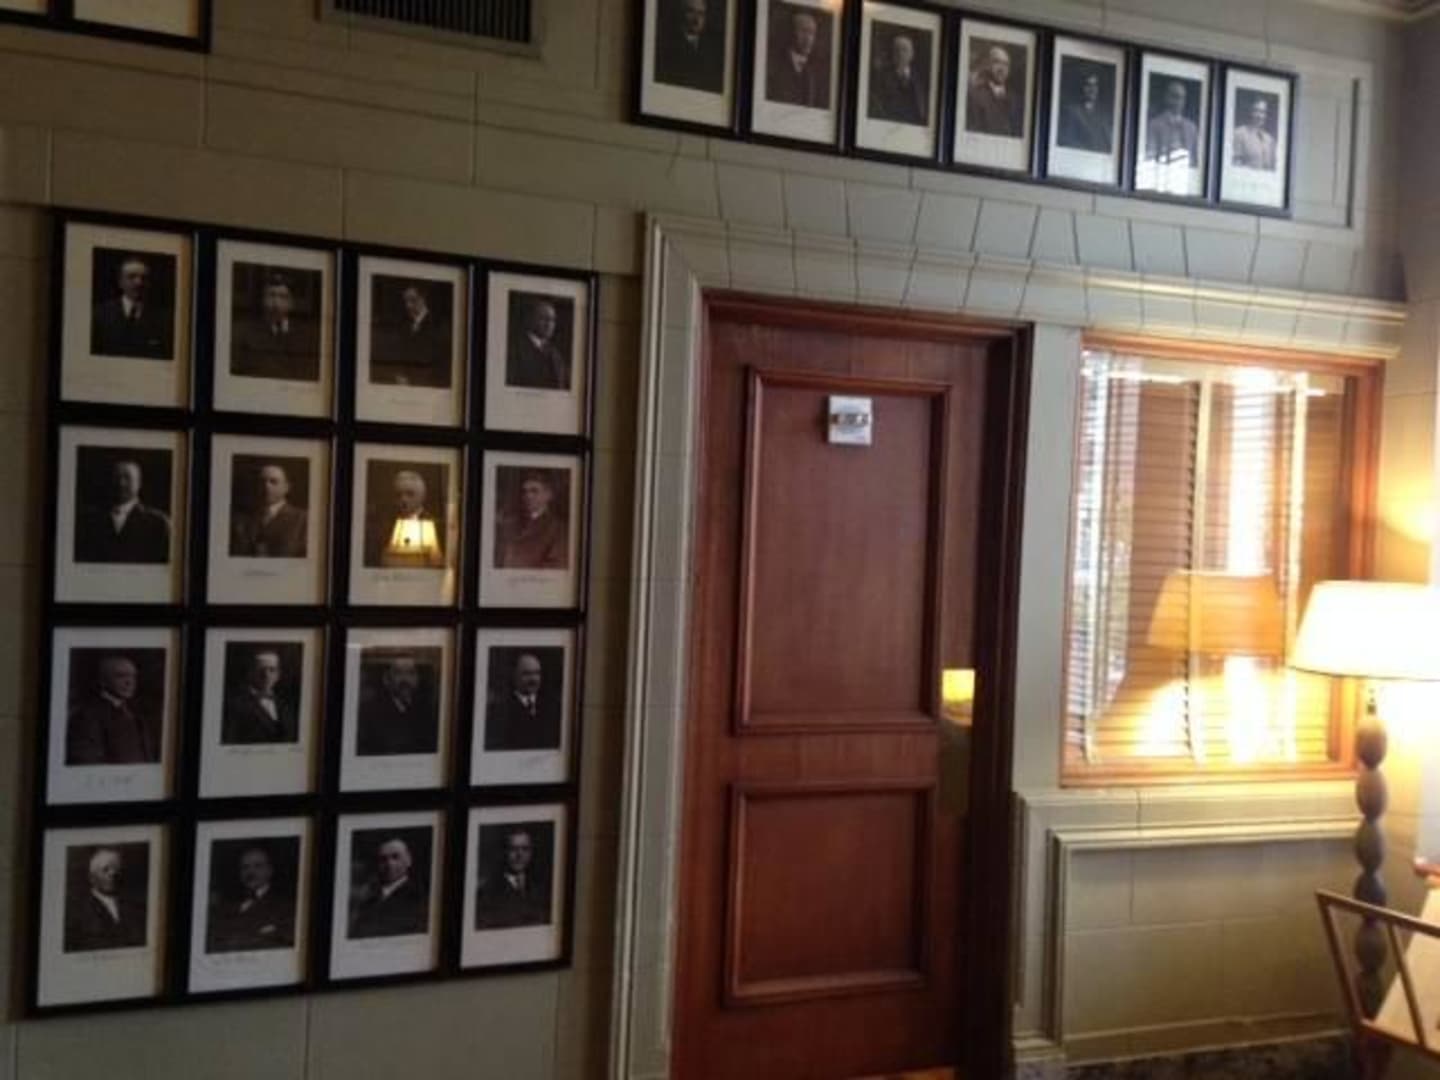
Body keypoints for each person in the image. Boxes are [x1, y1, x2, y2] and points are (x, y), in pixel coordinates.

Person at [67, 654, 162, 765]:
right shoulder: (87, 716)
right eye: (121, 676)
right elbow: (86, 761)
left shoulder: (137, 713)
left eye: (133, 676)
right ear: (103, 681)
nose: (129, 682)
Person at [74, 458, 171, 564]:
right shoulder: (89, 520)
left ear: (139, 483)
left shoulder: (159, 522)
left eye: (127, 478)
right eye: (116, 477)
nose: (121, 483)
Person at [230, 272, 320, 381]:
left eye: (283, 297)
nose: (276, 303)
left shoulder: (308, 336)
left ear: (291, 303)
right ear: (262, 300)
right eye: (271, 295)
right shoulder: (243, 332)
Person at [207, 845, 296, 953]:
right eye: (245, 867)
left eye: (258, 866)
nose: (250, 872)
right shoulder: (226, 906)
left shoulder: (285, 906)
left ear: (270, 871)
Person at [90, 253, 172, 359]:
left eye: (144, 278)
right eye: (131, 277)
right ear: (120, 282)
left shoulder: (165, 318)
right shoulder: (99, 314)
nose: (139, 282)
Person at [64, 847, 146, 951]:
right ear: (92, 877)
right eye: (105, 869)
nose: (113, 874)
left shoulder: (134, 907)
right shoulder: (78, 910)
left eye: (116, 869)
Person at [357, 653, 439, 756]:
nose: (405, 679)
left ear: (418, 678)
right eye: (398, 673)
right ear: (387, 679)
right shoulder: (369, 711)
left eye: (411, 673)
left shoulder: (427, 710)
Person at [372, 281, 450, 387]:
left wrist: (415, 382)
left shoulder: (437, 325)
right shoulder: (404, 324)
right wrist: (400, 375)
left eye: (413, 300)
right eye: (406, 301)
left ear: (423, 299)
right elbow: (400, 354)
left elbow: (439, 363)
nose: (408, 306)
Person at [350, 837, 428, 938]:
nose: (389, 864)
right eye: (383, 859)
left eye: (395, 857)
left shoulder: (419, 897)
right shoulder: (368, 901)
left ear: (409, 860)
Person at [367, 468, 445, 568]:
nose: (403, 499)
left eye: (410, 494)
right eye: (398, 495)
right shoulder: (386, 526)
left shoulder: (436, 525)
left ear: (422, 496)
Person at [485, 652, 562, 752]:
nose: (533, 679)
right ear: (514, 675)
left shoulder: (553, 706)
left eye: (537, 673)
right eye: (526, 674)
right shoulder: (500, 709)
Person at [475, 828, 550, 930]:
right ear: (503, 852)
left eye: (525, 849)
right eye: (513, 849)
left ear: (531, 853)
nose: (520, 855)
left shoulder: (542, 887)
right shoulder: (487, 890)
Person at [230, 462, 307, 559]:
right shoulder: (240, 520)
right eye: (261, 482)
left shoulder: (303, 519)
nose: (266, 486)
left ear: (286, 487)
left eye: (274, 482)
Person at [222, 648, 298, 744]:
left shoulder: (285, 705)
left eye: (272, 670)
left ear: (278, 675)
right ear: (250, 673)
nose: (266, 675)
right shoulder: (235, 705)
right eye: (261, 670)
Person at [495, 471, 568, 570]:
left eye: (534, 491)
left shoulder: (558, 528)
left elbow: (555, 566)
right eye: (525, 491)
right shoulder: (509, 523)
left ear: (548, 495)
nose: (528, 496)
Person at [653, 0, 725, 93]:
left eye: (701, 13)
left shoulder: (712, 49)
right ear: (681, 13)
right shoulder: (667, 44)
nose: (697, 19)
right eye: (691, 12)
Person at [765, 7, 828, 109]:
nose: (808, 39)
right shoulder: (773, 66)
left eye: (812, 33)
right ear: (792, 32)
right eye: (803, 31)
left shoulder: (819, 71)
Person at [506, 297, 571, 390]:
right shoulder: (515, 350)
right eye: (544, 318)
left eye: (552, 320)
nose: (549, 324)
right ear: (531, 319)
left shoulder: (556, 355)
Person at [868, 32, 926, 126]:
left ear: (912, 54)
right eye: (896, 50)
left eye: (904, 50)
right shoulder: (881, 77)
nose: (900, 54)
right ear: (892, 54)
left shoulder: (920, 80)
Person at [965, 44, 1023, 136]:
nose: (1002, 68)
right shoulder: (975, 96)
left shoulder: (1016, 100)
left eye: (1006, 64)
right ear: (988, 65)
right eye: (997, 62)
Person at [1058, 68, 1112, 153]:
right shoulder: (1072, 111)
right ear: (1082, 88)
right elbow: (1068, 141)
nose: (1092, 89)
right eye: (1088, 85)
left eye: (1095, 85)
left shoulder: (1103, 115)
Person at [1145, 79, 1198, 165]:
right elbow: (1150, 155)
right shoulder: (1155, 125)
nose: (1179, 101)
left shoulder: (1192, 128)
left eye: (1182, 98)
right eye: (1175, 97)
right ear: (1166, 98)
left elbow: (1195, 159)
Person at [1232, 95, 1276, 170]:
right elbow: (1236, 165)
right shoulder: (1239, 133)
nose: (1260, 116)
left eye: (1263, 112)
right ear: (1250, 112)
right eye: (1256, 111)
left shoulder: (1269, 140)